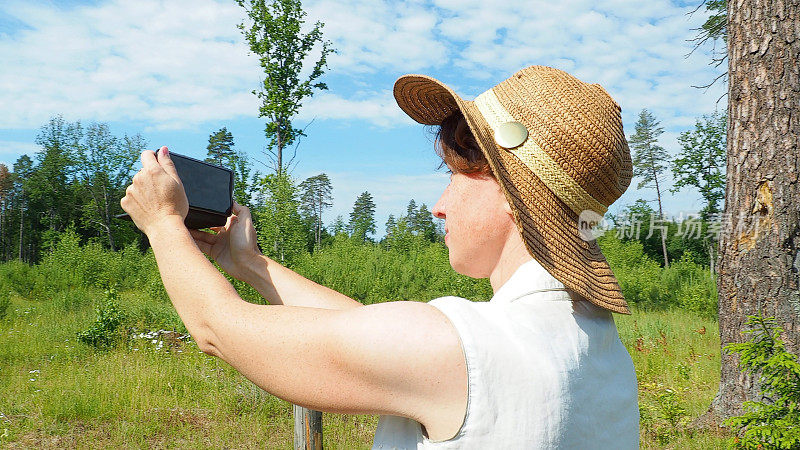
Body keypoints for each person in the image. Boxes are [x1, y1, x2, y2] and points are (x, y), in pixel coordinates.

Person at [121, 65, 639, 449]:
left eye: (454, 175)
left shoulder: (467, 349)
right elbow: (374, 332)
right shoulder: (599, 351)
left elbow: (218, 327)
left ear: (509, 188)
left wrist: (164, 224)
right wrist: (250, 263)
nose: (439, 207)